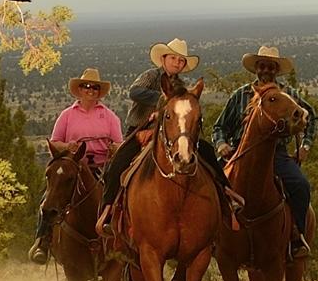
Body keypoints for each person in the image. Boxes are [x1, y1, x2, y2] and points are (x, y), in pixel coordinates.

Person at [98, 37, 238, 235]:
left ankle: (226, 196)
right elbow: (135, 91)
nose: (177, 63)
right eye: (173, 58)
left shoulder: (181, 87)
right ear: (164, 58)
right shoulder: (151, 76)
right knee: (118, 163)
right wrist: (164, 101)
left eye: (181, 61)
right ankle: (108, 211)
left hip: (171, 134)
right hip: (141, 130)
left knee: (206, 151)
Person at [212, 44, 316, 258]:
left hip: (275, 154)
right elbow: (219, 127)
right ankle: (211, 236)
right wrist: (222, 144)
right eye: (262, 66)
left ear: (276, 70)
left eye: (271, 66)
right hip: (239, 153)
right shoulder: (240, 96)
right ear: (256, 69)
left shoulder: (289, 95)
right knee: (210, 184)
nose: (266, 70)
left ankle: (296, 236)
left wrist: (305, 146)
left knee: (300, 185)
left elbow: (310, 116)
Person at [33, 69, 122, 261]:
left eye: (95, 87)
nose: (90, 90)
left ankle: (124, 240)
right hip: (73, 165)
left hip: (101, 166)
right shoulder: (67, 115)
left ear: (99, 91)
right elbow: (54, 142)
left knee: (122, 195)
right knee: (48, 197)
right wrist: (67, 146)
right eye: (86, 86)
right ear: (80, 89)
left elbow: (119, 143)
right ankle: (43, 241)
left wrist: (114, 147)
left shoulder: (109, 117)